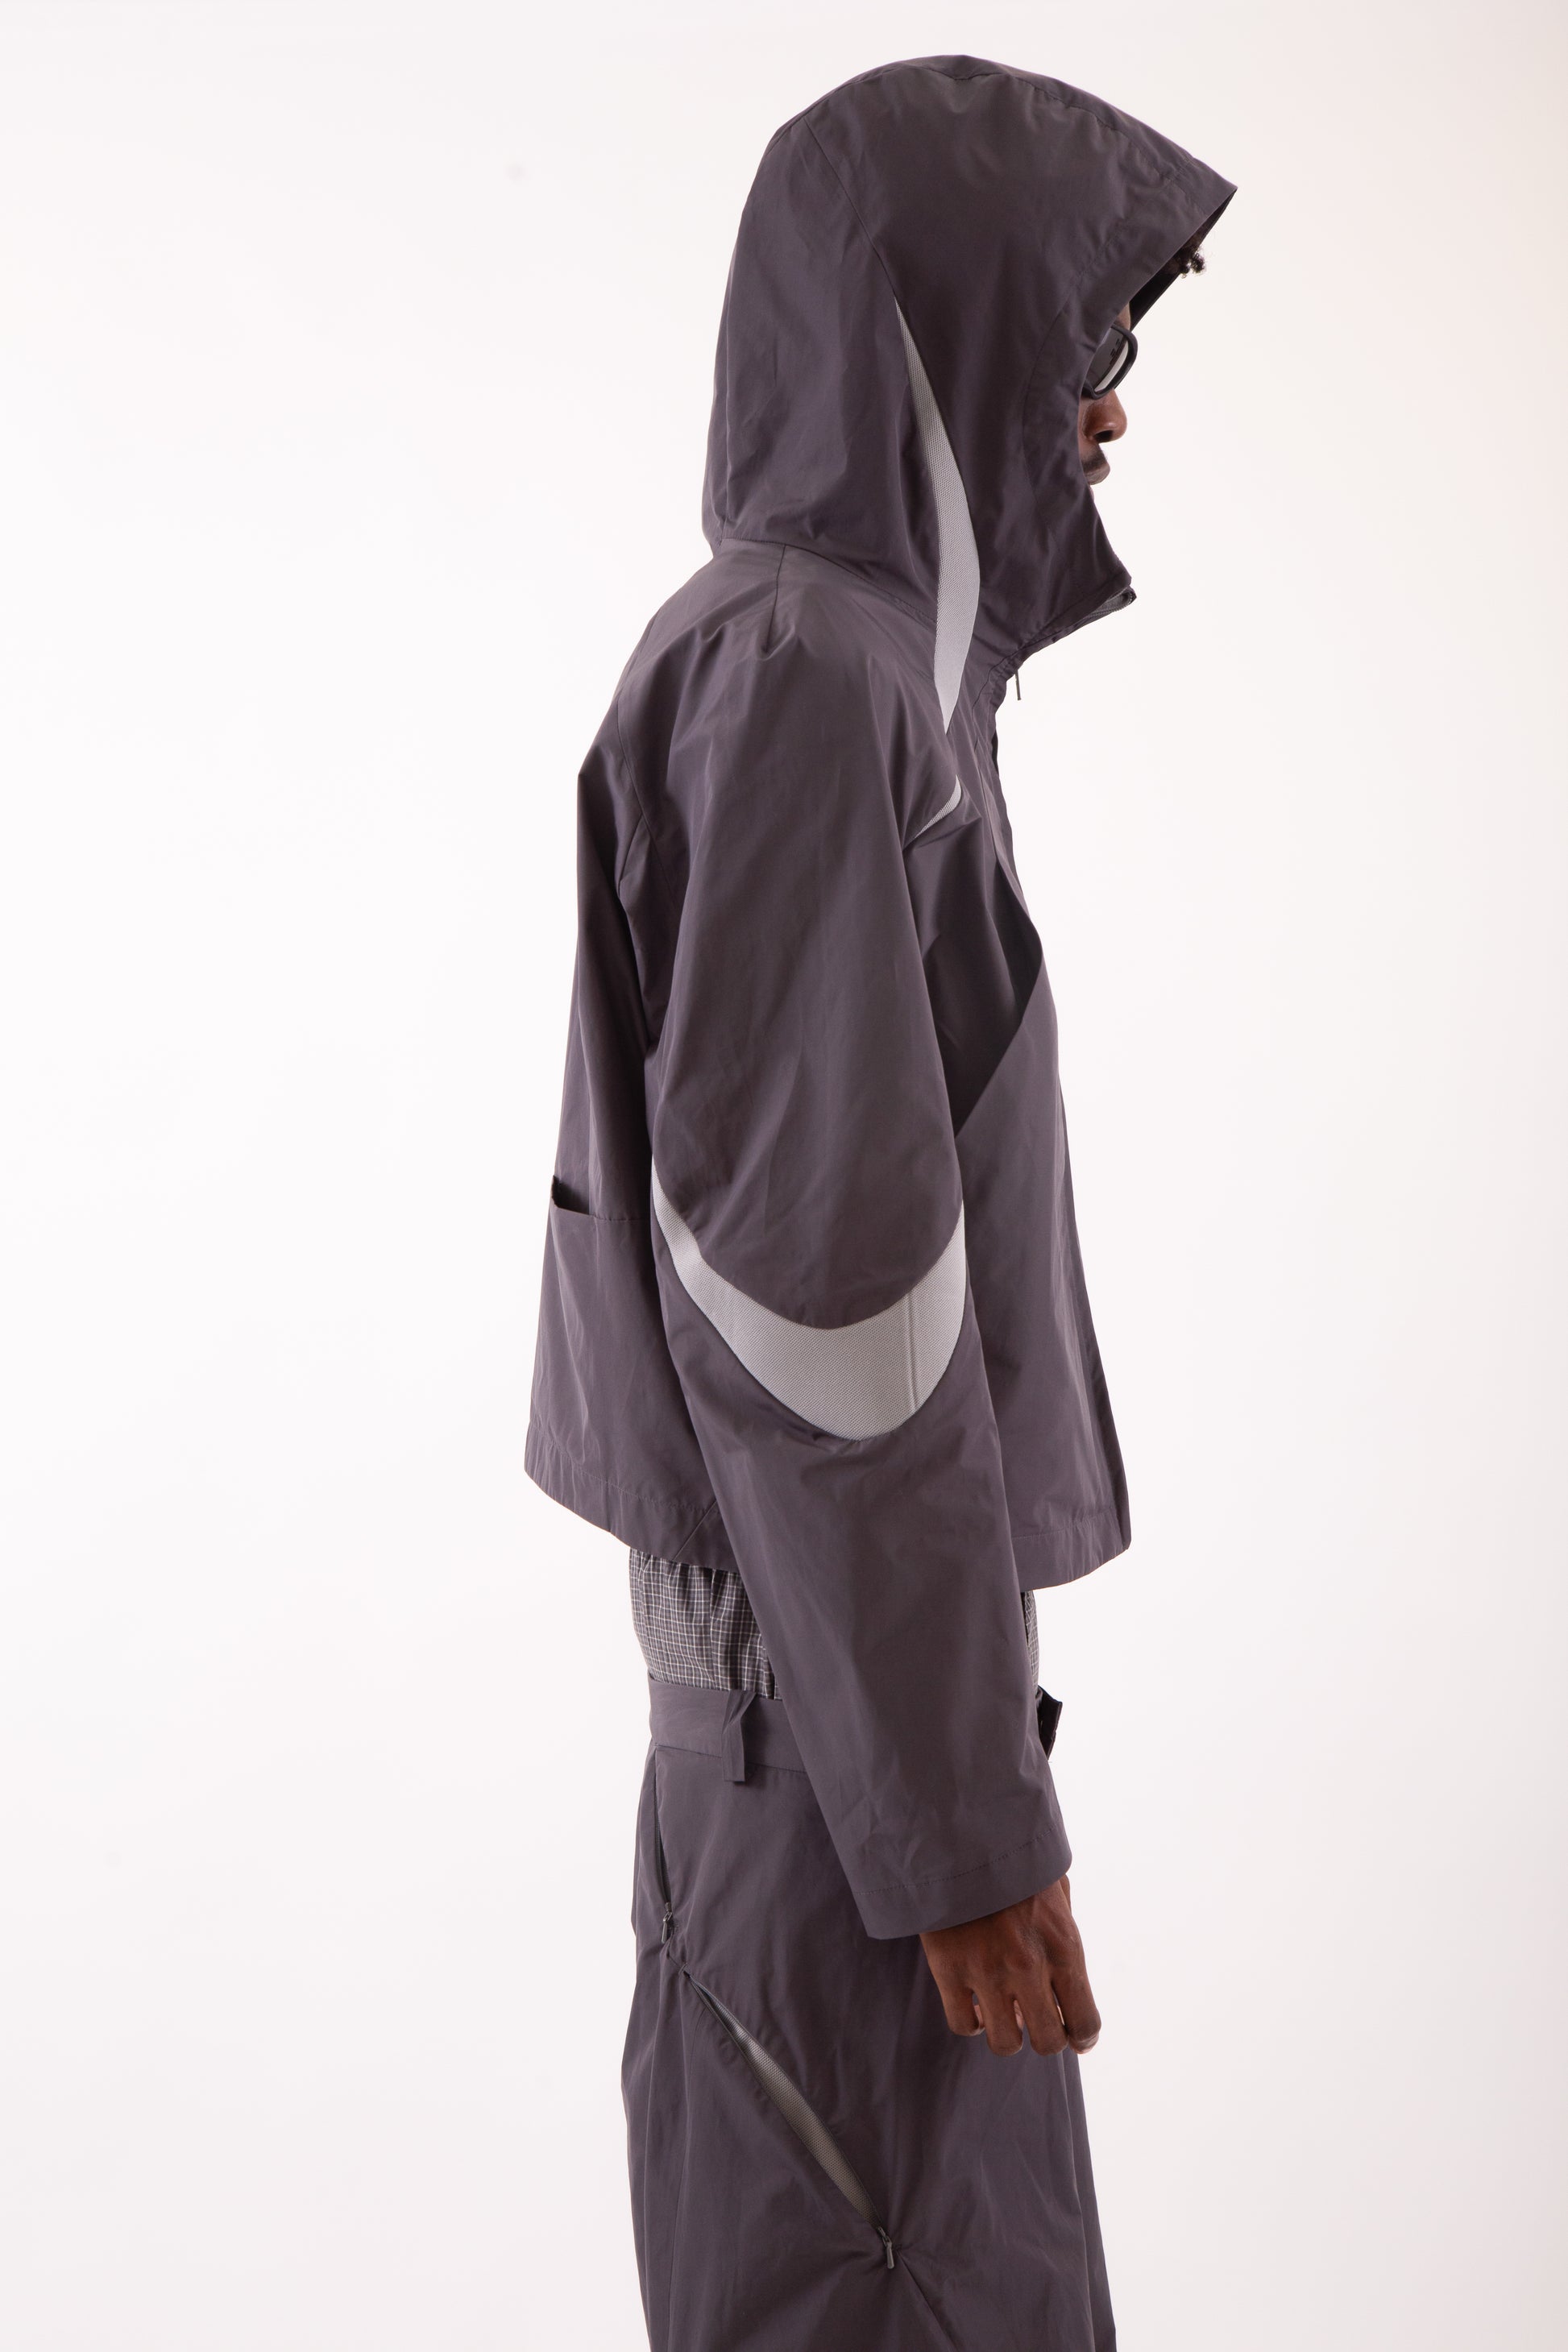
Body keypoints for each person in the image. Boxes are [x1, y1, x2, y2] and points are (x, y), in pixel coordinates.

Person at [526, 53, 1233, 2352]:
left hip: (851, 1753)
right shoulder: (804, 680)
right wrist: (950, 1826)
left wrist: (947, 1790)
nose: (1103, 417)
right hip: (839, 1788)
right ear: (934, 328)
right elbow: (824, 1317)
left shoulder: (861, 682)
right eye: (1076, 339)